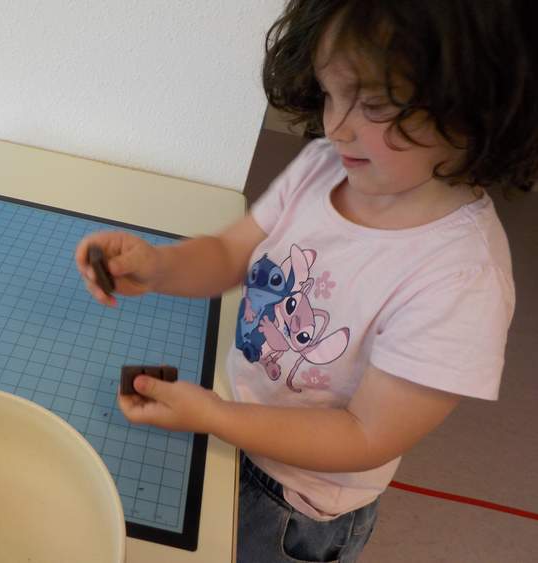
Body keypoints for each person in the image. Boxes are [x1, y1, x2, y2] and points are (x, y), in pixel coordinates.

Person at [75, 1, 536, 560]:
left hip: (295, 502)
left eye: (373, 105)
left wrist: (215, 416)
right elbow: (230, 253)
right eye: (330, 93)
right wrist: (159, 267)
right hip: (233, 423)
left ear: (475, 107)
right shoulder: (323, 167)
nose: (335, 125)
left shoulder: (462, 280)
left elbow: (366, 436)